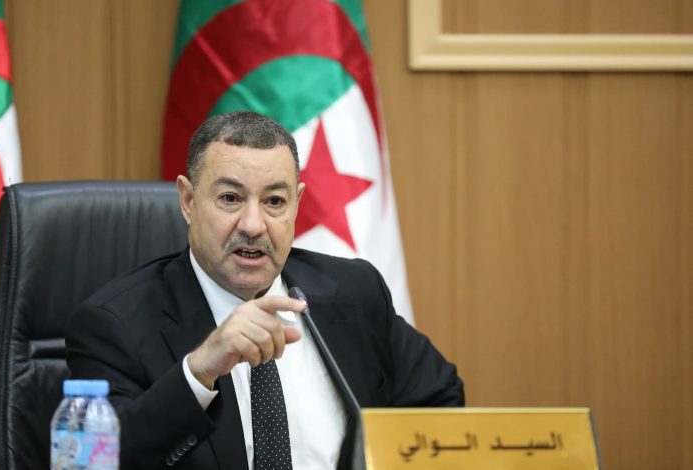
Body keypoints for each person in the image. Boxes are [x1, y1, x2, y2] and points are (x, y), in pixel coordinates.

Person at [66, 111, 464, 470]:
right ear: (188, 201)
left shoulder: (353, 292)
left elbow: (439, 402)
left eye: (274, 201)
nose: (253, 225)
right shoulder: (114, 324)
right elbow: (99, 462)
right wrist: (199, 371)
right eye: (230, 199)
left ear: (297, 204)